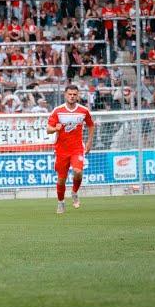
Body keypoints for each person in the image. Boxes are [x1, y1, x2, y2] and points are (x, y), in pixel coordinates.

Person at [47, 84, 95, 215]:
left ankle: (74, 192)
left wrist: (89, 142)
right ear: (65, 95)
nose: (72, 96)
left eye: (74, 94)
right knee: (61, 179)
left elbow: (91, 125)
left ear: (78, 95)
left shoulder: (84, 111)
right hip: (61, 150)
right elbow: (48, 129)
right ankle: (61, 202)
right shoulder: (58, 111)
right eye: (70, 94)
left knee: (78, 171)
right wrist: (55, 129)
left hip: (77, 148)